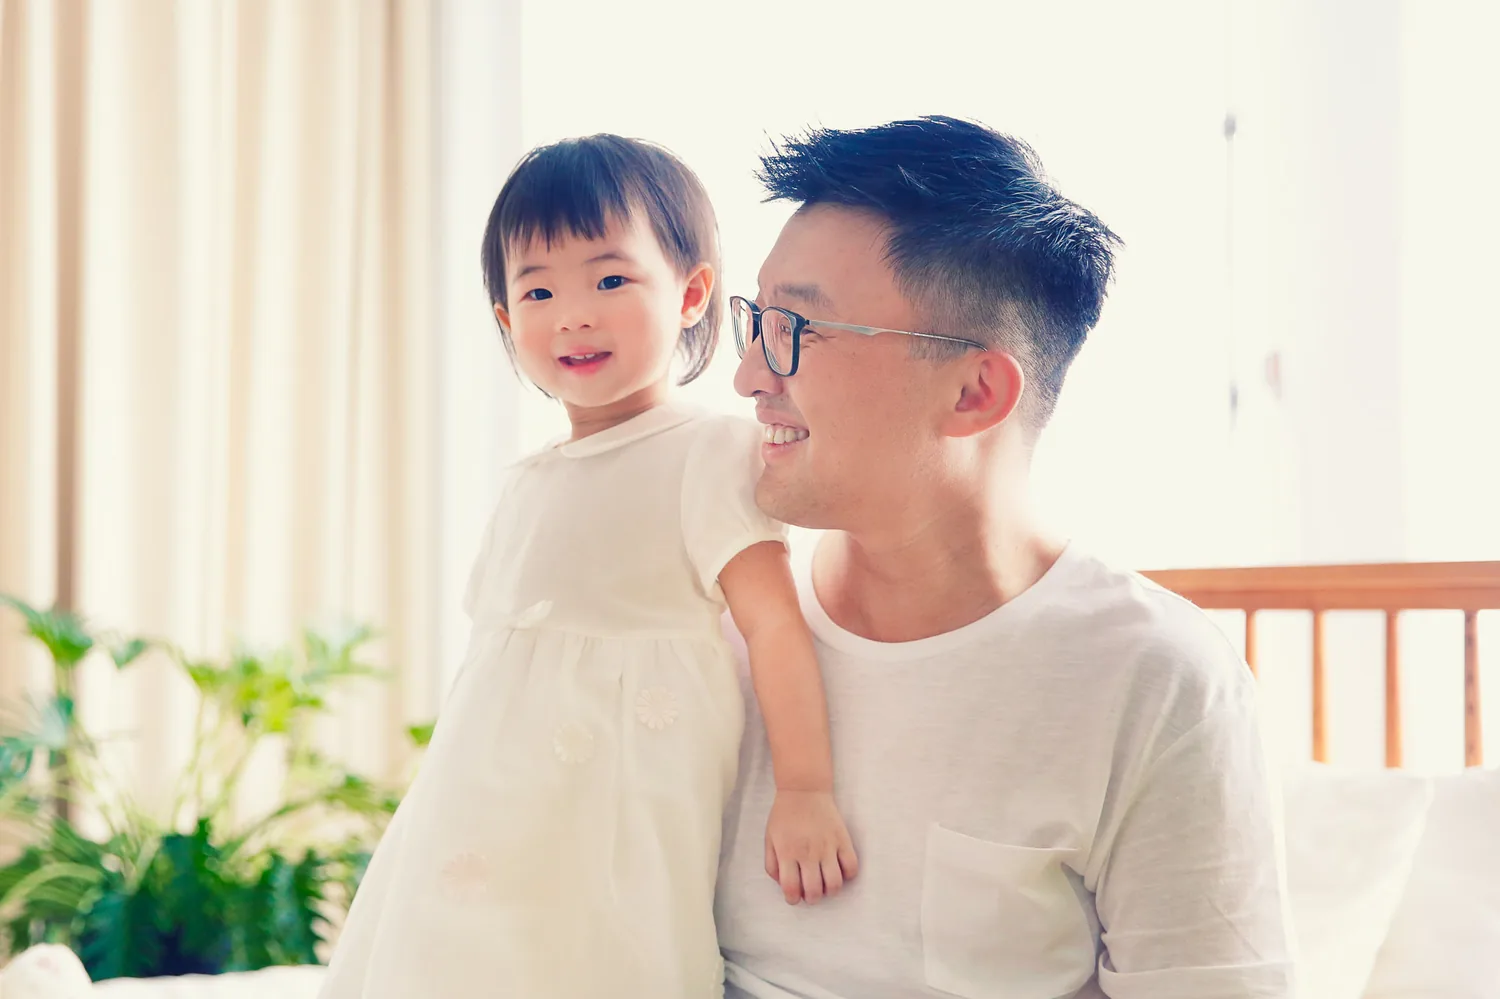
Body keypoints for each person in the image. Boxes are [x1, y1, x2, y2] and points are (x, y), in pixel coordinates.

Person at [714, 116, 1295, 999]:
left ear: (975, 390)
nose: (750, 375)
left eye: (795, 326)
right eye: (756, 320)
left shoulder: (1153, 678)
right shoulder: (711, 620)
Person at [319, 134, 857, 999]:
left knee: (597, 953)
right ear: (505, 319)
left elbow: (773, 623)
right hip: (488, 799)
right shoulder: (526, 482)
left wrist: (806, 787)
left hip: (616, 803)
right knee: (452, 949)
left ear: (689, 294)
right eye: (537, 289)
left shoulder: (707, 453)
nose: (573, 313)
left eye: (610, 279)